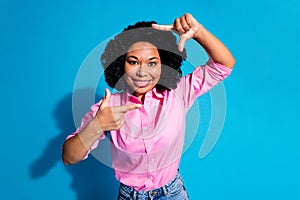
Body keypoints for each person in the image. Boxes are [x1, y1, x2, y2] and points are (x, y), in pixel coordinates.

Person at [62, 13, 235, 200]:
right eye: (133, 62)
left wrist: (199, 32)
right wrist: (98, 125)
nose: (142, 72)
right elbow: (69, 157)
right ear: (121, 64)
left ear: (163, 65)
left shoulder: (178, 93)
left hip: (173, 193)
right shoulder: (108, 108)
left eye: (152, 63)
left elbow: (224, 65)